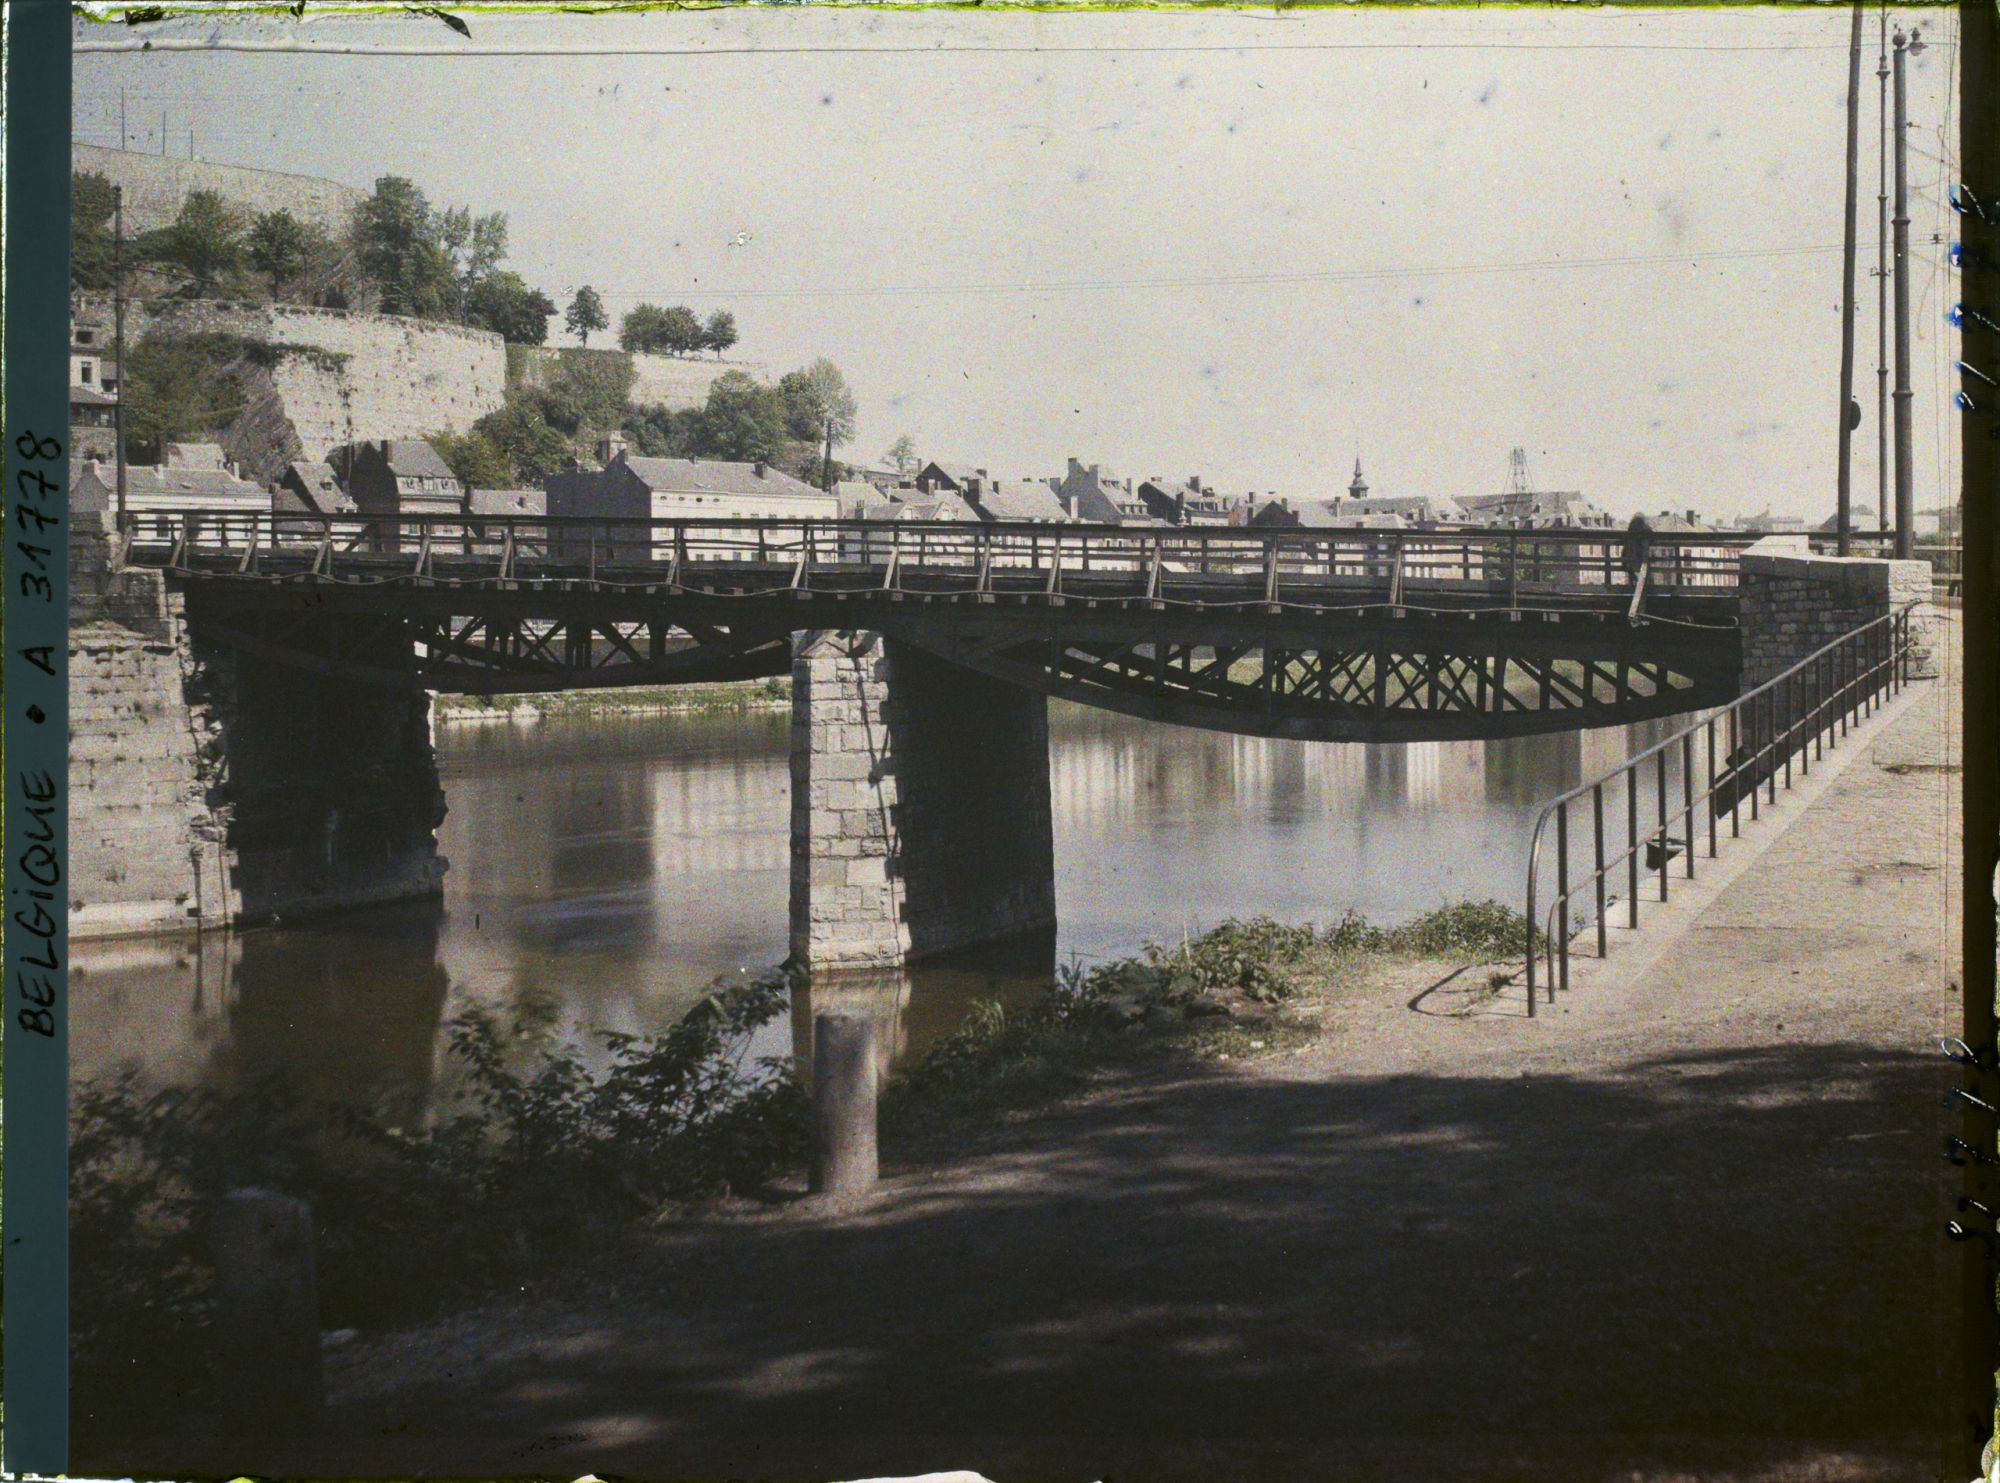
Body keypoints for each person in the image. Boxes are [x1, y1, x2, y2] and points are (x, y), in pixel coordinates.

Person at [1620, 511, 1654, 580]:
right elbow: (1652, 539)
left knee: (1635, 576)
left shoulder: (1630, 529)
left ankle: (1634, 582)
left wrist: (1624, 561)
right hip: (1642, 559)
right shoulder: (1646, 529)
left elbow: (1625, 548)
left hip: (1630, 560)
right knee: (1646, 577)